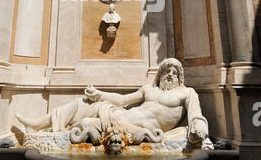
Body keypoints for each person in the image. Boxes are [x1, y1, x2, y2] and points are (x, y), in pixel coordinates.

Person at [16, 58, 210, 146]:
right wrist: (99, 94)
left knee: (84, 125)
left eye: (175, 72)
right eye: (167, 71)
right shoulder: (148, 89)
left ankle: (65, 128)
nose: (170, 74)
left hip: (138, 128)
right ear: (160, 74)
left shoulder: (187, 93)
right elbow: (122, 99)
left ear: (180, 76)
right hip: (120, 114)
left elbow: (196, 116)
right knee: (82, 103)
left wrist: (199, 127)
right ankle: (37, 125)